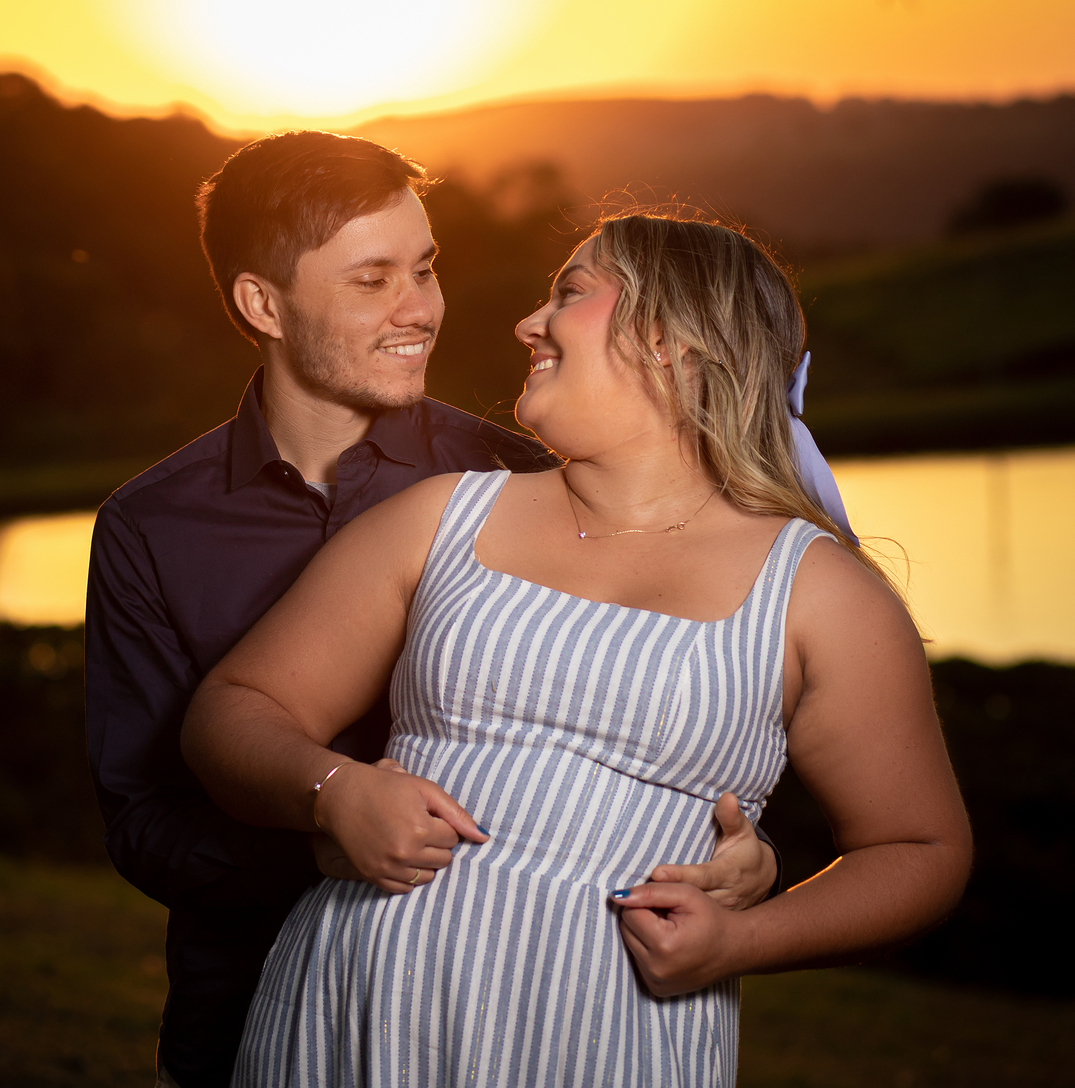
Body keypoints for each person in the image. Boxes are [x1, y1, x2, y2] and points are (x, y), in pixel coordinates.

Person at [182, 215, 972, 1088]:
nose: (529, 324)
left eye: (570, 293)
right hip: (355, 1013)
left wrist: (743, 939)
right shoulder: (439, 519)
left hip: (611, 1046)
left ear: (672, 336)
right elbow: (235, 709)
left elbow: (920, 848)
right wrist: (332, 790)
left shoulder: (821, 595)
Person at [84, 139, 779, 1088]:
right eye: (373, 280)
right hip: (243, 1025)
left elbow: (668, 696)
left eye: (425, 268)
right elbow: (142, 820)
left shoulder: (524, 475)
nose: (420, 308)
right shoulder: (151, 524)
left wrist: (741, 852)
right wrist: (328, 835)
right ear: (262, 305)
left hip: (523, 1023)